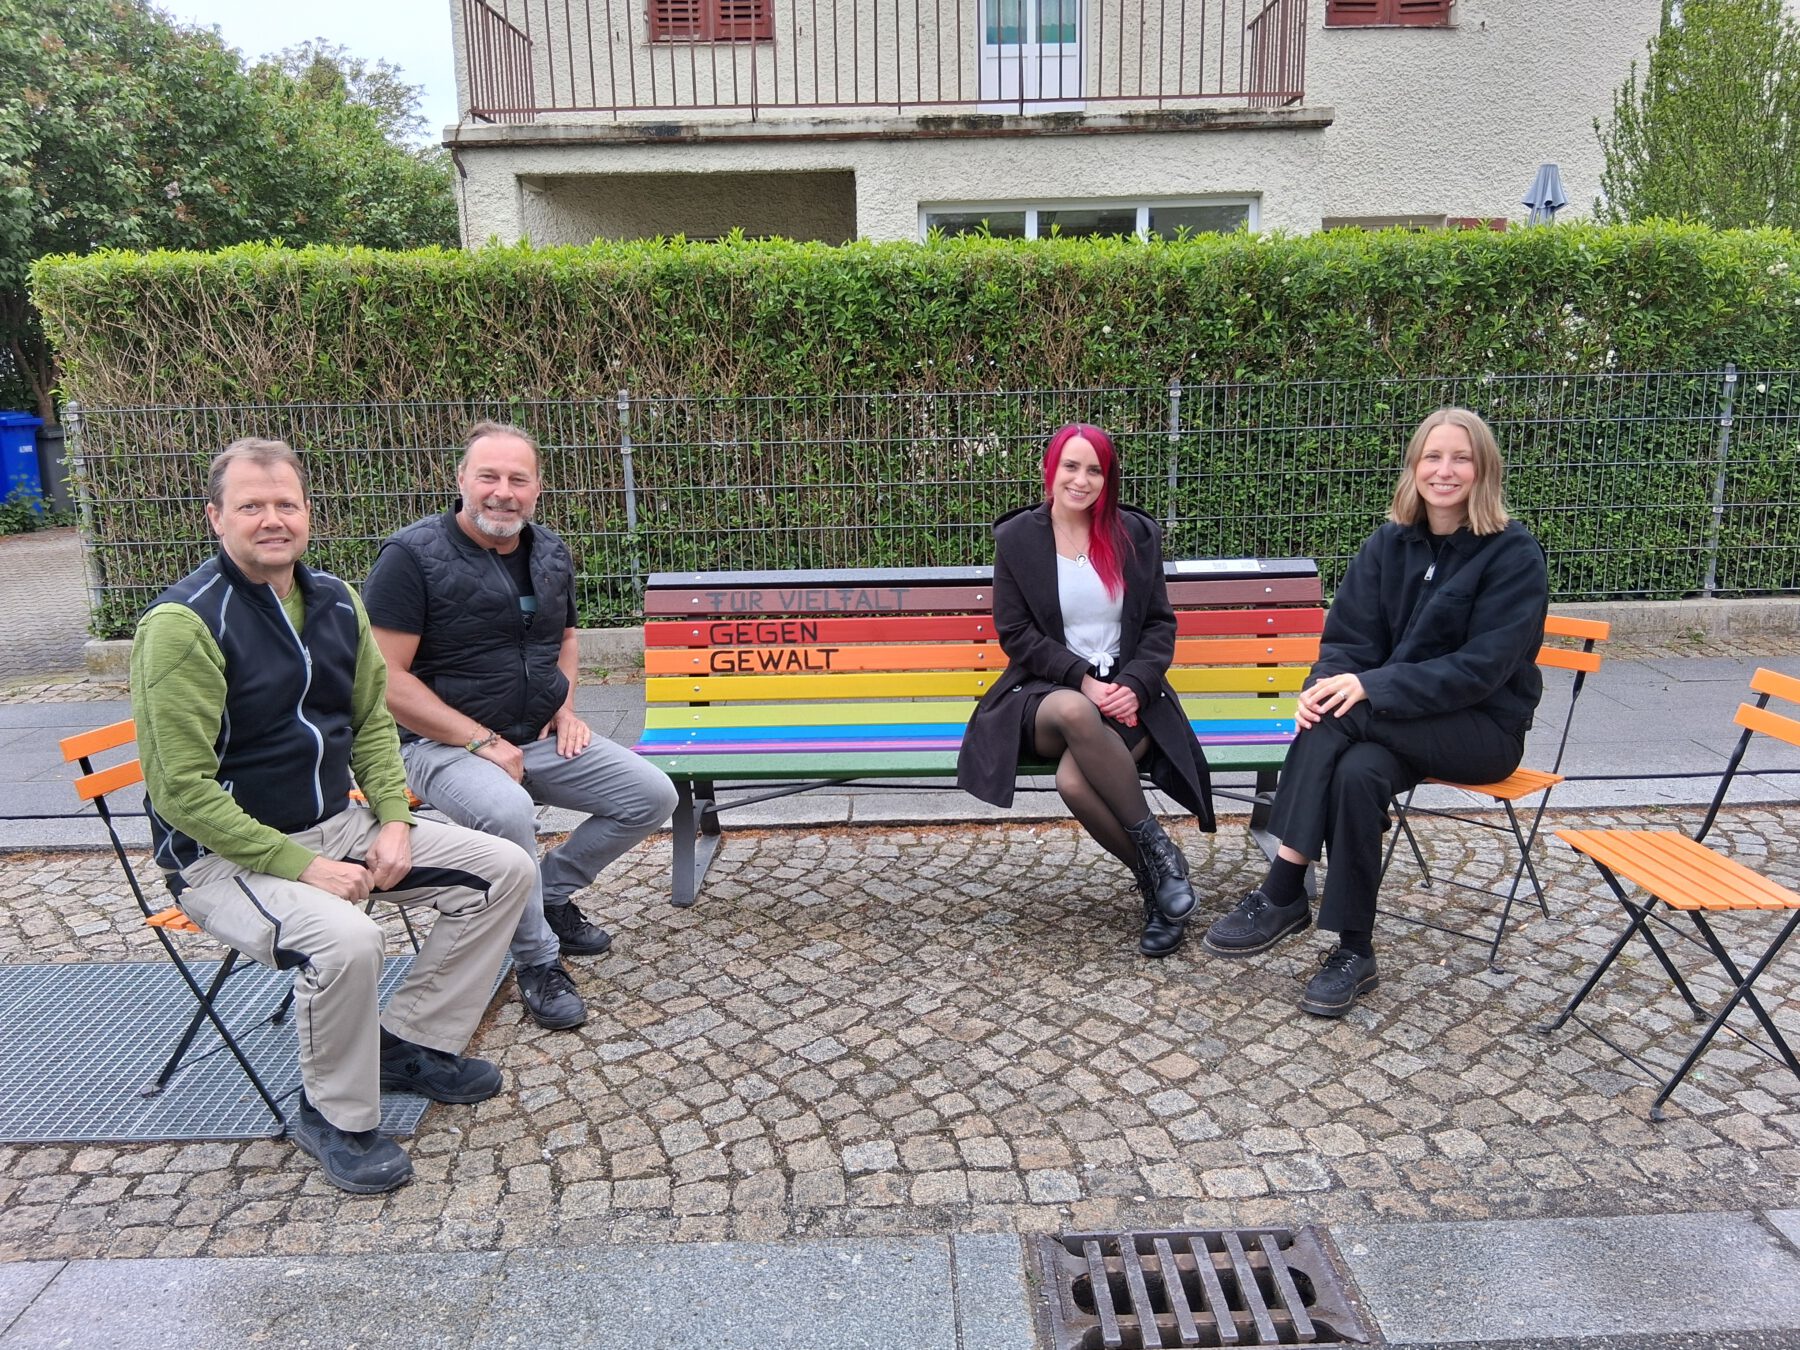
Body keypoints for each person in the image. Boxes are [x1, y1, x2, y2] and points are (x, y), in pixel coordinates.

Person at [131, 438, 534, 1195]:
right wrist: (303, 867)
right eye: (251, 506)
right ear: (216, 517)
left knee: (505, 868)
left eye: (286, 504)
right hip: (224, 860)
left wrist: (391, 820)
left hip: (335, 824)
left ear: (307, 515)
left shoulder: (335, 600)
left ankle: (404, 1042)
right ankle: (333, 1115)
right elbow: (180, 791)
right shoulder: (182, 625)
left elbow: (372, 724)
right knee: (347, 939)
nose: (272, 519)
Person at [1201, 407, 1549, 1016]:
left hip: (1480, 728)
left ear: (1483, 469)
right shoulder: (1387, 545)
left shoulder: (1512, 555)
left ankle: (1283, 889)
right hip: (1394, 724)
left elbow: (1481, 670)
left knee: (1343, 716)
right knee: (1358, 769)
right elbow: (1346, 642)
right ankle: (1355, 950)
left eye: (1460, 457)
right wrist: (1324, 685)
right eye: (1432, 457)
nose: (1445, 470)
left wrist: (1365, 689)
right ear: (1414, 468)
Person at [363, 421, 678, 1031]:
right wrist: (479, 741)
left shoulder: (551, 552)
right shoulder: (410, 558)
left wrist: (563, 708)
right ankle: (536, 959)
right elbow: (386, 681)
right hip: (439, 746)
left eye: (517, 479)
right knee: (507, 812)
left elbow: (563, 637)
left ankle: (547, 892)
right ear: (461, 481)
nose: (502, 492)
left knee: (650, 796)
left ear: (537, 489)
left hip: (535, 735)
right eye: (488, 476)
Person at [957, 423, 1214, 956]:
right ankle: (1162, 851)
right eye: (1071, 466)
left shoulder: (1135, 536)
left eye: (1094, 469)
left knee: (1074, 784)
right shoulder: (1020, 539)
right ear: (1050, 471)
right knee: (1076, 709)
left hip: (1128, 694)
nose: (1082, 479)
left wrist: (1136, 686)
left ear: (1107, 477)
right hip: (1044, 694)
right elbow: (1017, 635)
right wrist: (1084, 681)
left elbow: (1159, 626)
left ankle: (1154, 889)